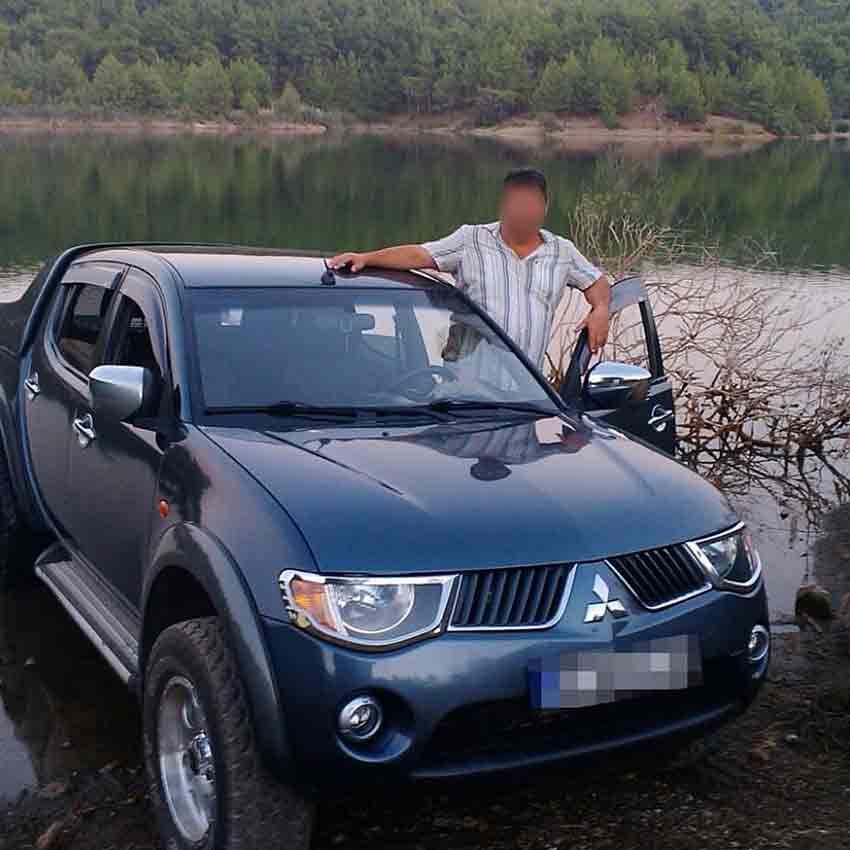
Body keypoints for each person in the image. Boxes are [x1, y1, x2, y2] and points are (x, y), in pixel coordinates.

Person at [328, 167, 610, 371]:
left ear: (545, 207)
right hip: (468, 387)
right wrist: (367, 258)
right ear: (503, 206)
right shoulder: (471, 240)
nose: (524, 210)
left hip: (525, 393)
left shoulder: (562, 251)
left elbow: (596, 282)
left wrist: (600, 309)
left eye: (531, 203)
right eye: (517, 202)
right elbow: (420, 254)